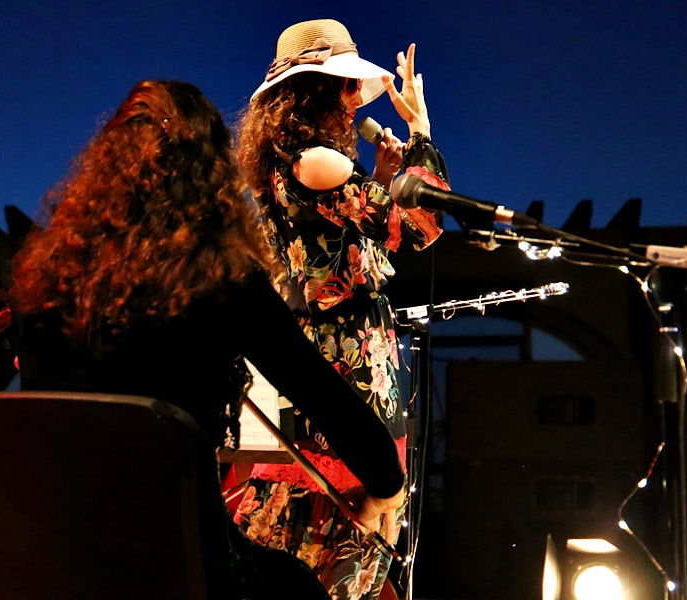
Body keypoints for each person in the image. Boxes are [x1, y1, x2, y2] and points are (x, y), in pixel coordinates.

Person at [9, 80, 406, 600]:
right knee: (297, 587)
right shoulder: (220, 279)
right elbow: (322, 395)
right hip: (176, 556)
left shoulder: (45, 281)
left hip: (58, 556)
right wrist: (386, 488)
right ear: (209, 173)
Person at [230, 19, 450, 600]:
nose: (355, 100)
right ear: (317, 91)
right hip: (345, 361)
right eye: (347, 87)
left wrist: (378, 179)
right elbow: (423, 225)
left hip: (341, 349)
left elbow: (344, 250)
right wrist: (421, 132)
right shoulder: (319, 161)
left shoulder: (295, 161)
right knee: (347, 527)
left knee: (337, 528)